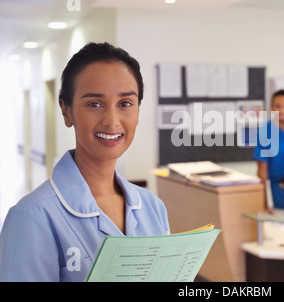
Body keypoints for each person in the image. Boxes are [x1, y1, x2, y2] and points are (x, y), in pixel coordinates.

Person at [0, 42, 170, 281]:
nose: (112, 121)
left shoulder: (153, 207)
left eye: (125, 103)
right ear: (66, 111)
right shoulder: (31, 217)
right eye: (94, 104)